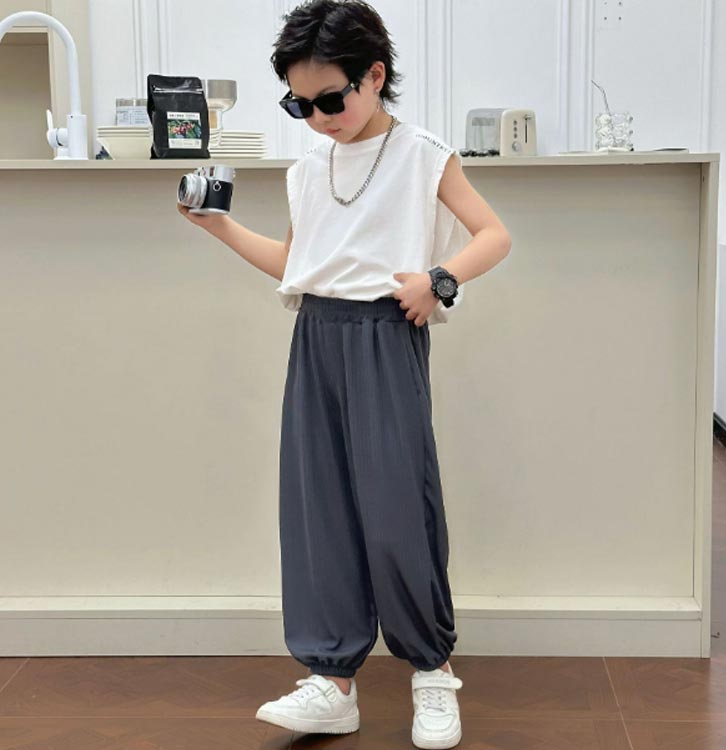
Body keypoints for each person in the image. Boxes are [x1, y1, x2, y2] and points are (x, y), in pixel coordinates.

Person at [179, 2, 511, 747]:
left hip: (386, 335)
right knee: (318, 508)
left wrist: (440, 281)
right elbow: (296, 265)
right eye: (299, 105)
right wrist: (220, 226)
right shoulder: (307, 168)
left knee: (398, 509)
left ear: (375, 75)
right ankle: (332, 682)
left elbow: (494, 235)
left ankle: (432, 671)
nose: (318, 118)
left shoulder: (423, 154)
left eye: (331, 99)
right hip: (316, 335)